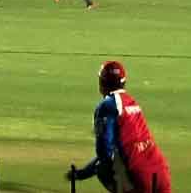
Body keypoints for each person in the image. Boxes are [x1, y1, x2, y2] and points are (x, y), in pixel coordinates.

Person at [67, 60, 172, 193]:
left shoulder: (107, 106)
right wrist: (82, 173)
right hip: (161, 170)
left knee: (102, 169)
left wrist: (83, 174)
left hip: (138, 175)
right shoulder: (131, 102)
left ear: (102, 83)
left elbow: (104, 153)